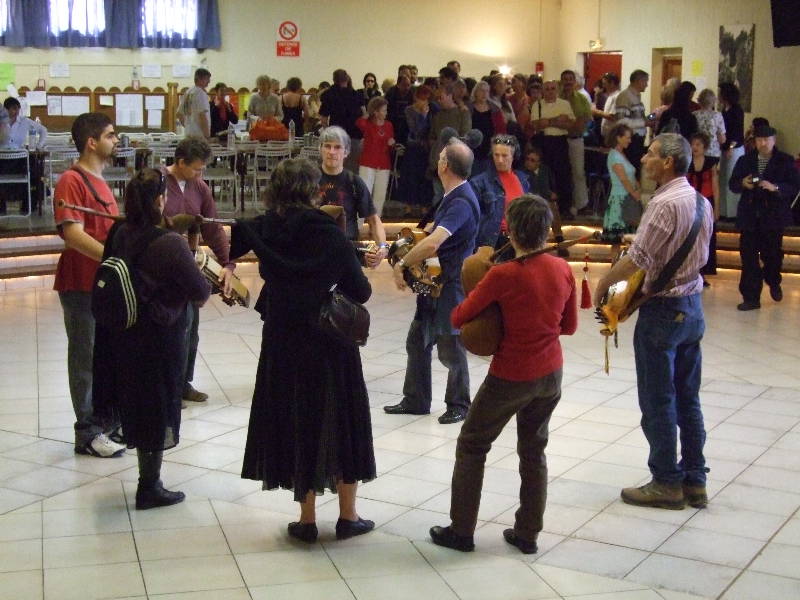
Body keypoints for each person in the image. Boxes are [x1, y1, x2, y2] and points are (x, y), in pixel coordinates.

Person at [234, 158, 376, 543]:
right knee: (341, 421)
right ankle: (348, 516)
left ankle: (307, 519)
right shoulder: (328, 233)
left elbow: (231, 240)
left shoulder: (264, 230)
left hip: (283, 339)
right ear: (312, 191)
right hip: (328, 340)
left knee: (298, 420)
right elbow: (361, 291)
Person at [429, 194, 577, 553]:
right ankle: (528, 534)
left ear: (510, 230)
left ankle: (461, 531)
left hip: (511, 375)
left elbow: (458, 316)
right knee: (534, 450)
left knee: (472, 444)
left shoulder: (503, 274)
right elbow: (569, 326)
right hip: (551, 374)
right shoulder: (562, 268)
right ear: (546, 230)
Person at [594, 133, 713, 510]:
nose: (644, 158)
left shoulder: (663, 204)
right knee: (688, 398)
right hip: (692, 308)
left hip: (662, 313)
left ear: (667, 163)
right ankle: (695, 480)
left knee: (658, 399)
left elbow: (638, 259)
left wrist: (604, 283)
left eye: (650, 154)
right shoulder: (701, 202)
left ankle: (665, 482)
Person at [93, 169, 210, 509]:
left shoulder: (119, 231)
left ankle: (147, 478)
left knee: (135, 399)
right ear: (160, 200)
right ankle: (149, 486)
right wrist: (194, 256)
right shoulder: (170, 243)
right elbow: (200, 292)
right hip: (158, 336)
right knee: (157, 408)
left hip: (123, 332)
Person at [384, 139, 479, 425]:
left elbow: (434, 243)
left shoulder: (461, 201)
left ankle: (460, 404)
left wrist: (402, 263)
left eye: (440, 158)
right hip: (435, 282)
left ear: (445, 166)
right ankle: (416, 399)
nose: (437, 161)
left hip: (450, 284)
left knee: (450, 345)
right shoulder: (453, 196)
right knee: (417, 341)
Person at [53, 112, 126, 458]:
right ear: (91, 142)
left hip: (103, 282)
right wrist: (112, 257)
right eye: (110, 135)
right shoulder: (72, 180)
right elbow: (73, 235)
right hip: (81, 282)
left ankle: (107, 423)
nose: (116, 140)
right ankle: (87, 432)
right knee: (85, 356)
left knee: (105, 357)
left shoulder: (100, 180)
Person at [163, 137, 236, 406]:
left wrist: (228, 263)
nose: (200, 174)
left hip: (188, 267)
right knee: (169, 330)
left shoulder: (200, 188)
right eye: (196, 169)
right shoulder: (157, 182)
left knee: (190, 329)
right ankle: (166, 387)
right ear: (180, 162)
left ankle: (183, 383)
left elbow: (212, 229)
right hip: (160, 268)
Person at [730, 124, 800, 311]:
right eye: (759, 140)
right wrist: (743, 183)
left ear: (773, 140)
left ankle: (773, 280)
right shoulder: (745, 160)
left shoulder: (785, 160)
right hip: (750, 216)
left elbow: (795, 186)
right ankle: (751, 297)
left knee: (772, 255)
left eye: (766, 140)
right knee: (748, 258)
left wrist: (775, 187)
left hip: (773, 217)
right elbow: (733, 184)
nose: (763, 143)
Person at [317, 126, 388, 268]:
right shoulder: (309, 180)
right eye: (327, 146)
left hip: (347, 251)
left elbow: (373, 220)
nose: (332, 152)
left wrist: (382, 247)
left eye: (337, 147)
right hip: (316, 251)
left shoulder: (354, 182)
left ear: (346, 152)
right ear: (320, 149)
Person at [469, 135, 529, 249]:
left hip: (519, 239)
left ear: (513, 156)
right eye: (496, 155)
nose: (500, 160)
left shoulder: (523, 180)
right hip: (492, 241)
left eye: (504, 155)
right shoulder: (479, 182)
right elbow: (472, 217)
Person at [530, 80, 574, 218]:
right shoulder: (537, 105)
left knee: (563, 174)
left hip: (560, 142)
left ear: (557, 90)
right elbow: (536, 125)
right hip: (544, 142)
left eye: (553, 88)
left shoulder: (564, 104)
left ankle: (564, 208)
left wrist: (547, 121)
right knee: (544, 174)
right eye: (547, 89)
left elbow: (570, 124)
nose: (550, 91)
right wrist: (556, 120)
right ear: (543, 91)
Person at [0, 97, 48, 213]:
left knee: (35, 172)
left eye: (17, 109)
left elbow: (43, 130)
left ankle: (29, 204)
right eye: (12, 109)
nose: (15, 112)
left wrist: (39, 145)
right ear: (5, 110)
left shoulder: (25, 122)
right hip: (2, 160)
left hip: (20, 160)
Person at [320, 69, 367, 171]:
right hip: (355, 135)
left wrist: (328, 132)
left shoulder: (328, 95)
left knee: (335, 168)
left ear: (334, 80)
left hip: (337, 136)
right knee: (353, 169)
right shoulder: (357, 95)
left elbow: (323, 119)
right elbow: (364, 115)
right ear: (347, 79)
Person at [355, 97, 395, 218]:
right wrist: (368, 113)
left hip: (384, 164)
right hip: (367, 163)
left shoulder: (389, 125)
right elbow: (359, 122)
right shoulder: (367, 124)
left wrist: (391, 143)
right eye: (383, 110)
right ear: (376, 112)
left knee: (380, 196)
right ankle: (359, 224)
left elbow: (390, 142)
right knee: (364, 193)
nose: (386, 112)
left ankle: (376, 222)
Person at [523, 145, 566, 254]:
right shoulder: (522, 172)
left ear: (538, 163)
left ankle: (560, 239)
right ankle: (558, 241)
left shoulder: (545, 170)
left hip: (545, 201)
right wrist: (547, 193)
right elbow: (533, 190)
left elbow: (551, 187)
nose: (528, 162)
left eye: (532, 160)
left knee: (552, 207)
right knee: (549, 206)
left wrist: (552, 194)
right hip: (529, 201)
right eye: (527, 159)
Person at [560, 70, 592, 215]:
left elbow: (586, 119)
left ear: (574, 81)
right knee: (563, 173)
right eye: (565, 79)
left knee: (578, 172)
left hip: (576, 139)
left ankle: (582, 204)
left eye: (570, 79)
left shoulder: (581, 98)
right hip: (560, 139)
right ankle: (565, 204)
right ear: (561, 81)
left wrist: (571, 124)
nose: (568, 82)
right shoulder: (556, 98)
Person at [602, 123, 640, 243]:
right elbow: (624, 179)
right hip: (619, 200)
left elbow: (631, 177)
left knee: (629, 237)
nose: (630, 141)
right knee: (617, 239)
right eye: (627, 137)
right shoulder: (614, 156)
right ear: (618, 138)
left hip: (627, 198)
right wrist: (635, 194)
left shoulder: (621, 155)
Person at [398, 85, 433, 209]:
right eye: (421, 99)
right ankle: (408, 205)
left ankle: (424, 206)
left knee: (424, 176)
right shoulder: (409, 110)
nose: (423, 102)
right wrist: (422, 116)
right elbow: (415, 130)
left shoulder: (431, 110)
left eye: (426, 99)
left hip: (425, 148)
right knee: (410, 176)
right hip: (412, 147)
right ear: (416, 98)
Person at [718, 82, 745, 219]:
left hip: (734, 149)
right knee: (723, 180)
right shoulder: (724, 109)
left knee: (731, 178)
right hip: (725, 148)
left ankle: (733, 213)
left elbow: (737, 131)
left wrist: (730, 148)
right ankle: (724, 211)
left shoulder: (737, 110)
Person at [614, 69, 649, 173]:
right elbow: (621, 121)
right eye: (645, 81)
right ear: (638, 81)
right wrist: (644, 123)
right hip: (631, 140)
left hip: (638, 139)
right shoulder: (625, 96)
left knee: (636, 169)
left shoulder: (637, 96)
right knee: (630, 170)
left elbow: (635, 116)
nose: (646, 85)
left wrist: (646, 120)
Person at [468, 81, 506, 176]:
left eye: (486, 91)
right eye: (481, 90)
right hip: (472, 149)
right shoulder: (469, 108)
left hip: (489, 149)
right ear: (475, 92)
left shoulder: (495, 109)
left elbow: (501, 130)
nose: (484, 93)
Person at [176, 68, 211, 139]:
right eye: (207, 79)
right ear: (200, 79)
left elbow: (179, 114)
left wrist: (188, 126)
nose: (209, 82)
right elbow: (202, 115)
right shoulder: (200, 93)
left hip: (188, 134)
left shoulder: (188, 92)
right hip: (199, 135)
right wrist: (207, 136)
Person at [694, 89, 726, 160]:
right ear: (713, 102)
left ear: (699, 100)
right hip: (713, 152)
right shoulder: (717, 116)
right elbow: (722, 139)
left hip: (697, 151)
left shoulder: (694, 115)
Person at [385, 74, 414, 146]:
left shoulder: (412, 94)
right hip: (393, 125)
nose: (407, 88)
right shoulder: (391, 94)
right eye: (404, 85)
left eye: (408, 85)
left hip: (407, 127)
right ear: (398, 85)